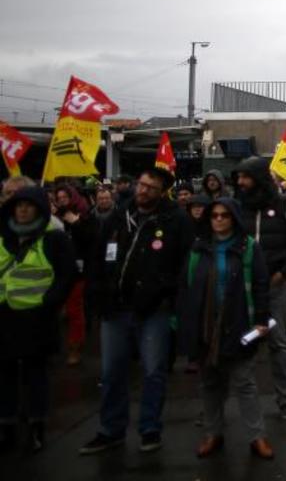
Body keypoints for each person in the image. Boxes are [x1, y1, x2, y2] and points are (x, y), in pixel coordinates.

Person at [80, 168, 186, 455]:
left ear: (161, 191)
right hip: (115, 307)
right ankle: (111, 429)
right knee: (112, 371)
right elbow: (98, 257)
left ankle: (150, 428)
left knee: (153, 371)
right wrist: (98, 292)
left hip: (154, 309)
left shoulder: (174, 220)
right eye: (142, 184)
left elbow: (181, 263)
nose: (143, 191)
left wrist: (162, 290)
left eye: (151, 187)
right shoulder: (118, 217)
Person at [176, 197, 274, 460]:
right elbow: (185, 287)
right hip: (205, 326)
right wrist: (183, 321)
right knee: (210, 383)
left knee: (245, 383)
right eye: (214, 216)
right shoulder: (199, 249)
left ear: (234, 218)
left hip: (239, 322)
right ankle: (213, 433)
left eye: (224, 215)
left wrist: (261, 320)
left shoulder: (248, 247)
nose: (219, 220)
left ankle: (257, 437)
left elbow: (261, 284)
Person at [0, 185, 76, 454]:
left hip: (37, 319)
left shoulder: (53, 238)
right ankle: (7, 426)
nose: (21, 209)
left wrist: (48, 303)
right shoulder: (3, 236)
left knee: (35, 376)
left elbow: (67, 275)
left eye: (28, 205)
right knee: (5, 376)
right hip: (5, 317)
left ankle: (36, 427)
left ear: (39, 209)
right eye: (17, 205)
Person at [233, 156, 286, 421]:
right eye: (238, 177)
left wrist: (284, 273)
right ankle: (243, 402)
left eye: (246, 177)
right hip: (243, 284)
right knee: (244, 339)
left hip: (275, 285)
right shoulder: (238, 206)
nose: (241, 182)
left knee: (278, 342)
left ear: (259, 178)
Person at [54, 183, 96, 367]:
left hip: (77, 271)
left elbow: (90, 240)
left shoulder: (85, 216)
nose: (63, 201)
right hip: (55, 271)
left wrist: (76, 223)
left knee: (74, 311)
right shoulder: (53, 218)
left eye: (65, 197)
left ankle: (75, 348)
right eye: (59, 198)